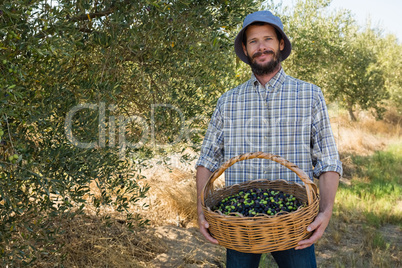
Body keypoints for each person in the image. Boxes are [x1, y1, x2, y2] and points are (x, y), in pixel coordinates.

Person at [195, 10, 343, 268]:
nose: (261, 47)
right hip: (238, 223)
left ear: (280, 44)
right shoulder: (228, 101)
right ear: (245, 48)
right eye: (253, 41)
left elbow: (328, 160)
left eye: (268, 39)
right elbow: (207, 159)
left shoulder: (309, 95)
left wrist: (325, 212)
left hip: (296, 221)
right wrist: (201, 210)